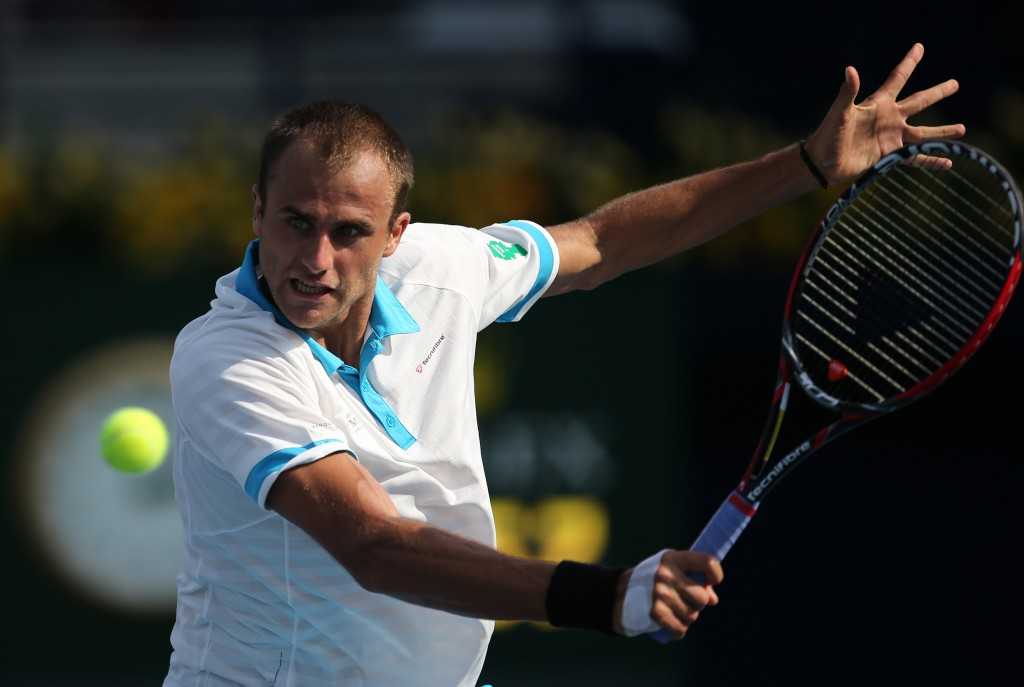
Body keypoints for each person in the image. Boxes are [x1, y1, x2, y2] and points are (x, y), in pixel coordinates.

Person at [164, 43, 963, 686]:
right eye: (295, 222)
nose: (316, 258)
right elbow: (374, 545)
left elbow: (601, 242)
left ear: (396, 234)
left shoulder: (441, 268)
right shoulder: (226, 358)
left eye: (348, 232)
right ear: (257, 211)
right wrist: (604, 596)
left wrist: (806, 166)